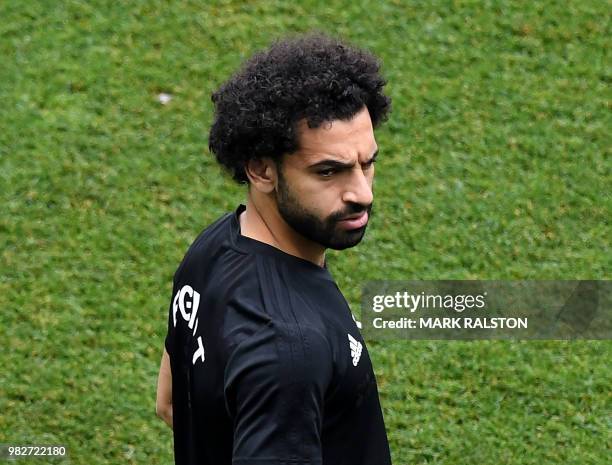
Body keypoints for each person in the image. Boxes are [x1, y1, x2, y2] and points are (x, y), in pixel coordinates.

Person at [156, 32, 392, 465]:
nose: (362, 193)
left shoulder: (215, 246)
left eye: (368, 162)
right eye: (329, 172)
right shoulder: (291, 353)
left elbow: (170, 403)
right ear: (262, 169)